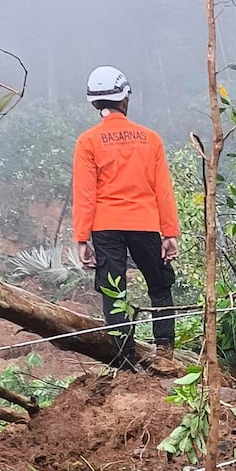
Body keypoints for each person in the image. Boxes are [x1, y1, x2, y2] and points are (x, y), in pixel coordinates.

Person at [72, 65, 180, 371]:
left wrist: (82, 238)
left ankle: (125, 363)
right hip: (145, 224)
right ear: (125, 99)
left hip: (105, 227)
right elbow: (163, 190)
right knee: (159, 286)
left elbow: (84, 195)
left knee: (113, 291)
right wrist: (170, 233)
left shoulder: (88, 142)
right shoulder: (150, 139)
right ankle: (164, 352)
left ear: (94, 103)